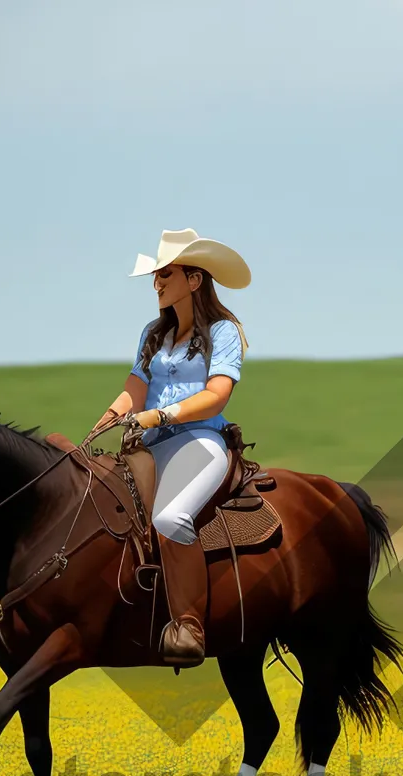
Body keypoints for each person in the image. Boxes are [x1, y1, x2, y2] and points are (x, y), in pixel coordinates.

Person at [87, 229, 250, 667]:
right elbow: (135, 389)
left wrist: (162, 416)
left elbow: (217, 395)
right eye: (155, 276)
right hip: (146, 447)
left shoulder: (224, 332)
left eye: (165, 274)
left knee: (169, 516)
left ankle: (189, 625)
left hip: (199, 441)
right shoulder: (151, 335)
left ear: (194, 279)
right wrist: (107, 418)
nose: (156, 283)